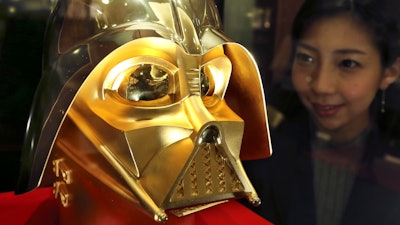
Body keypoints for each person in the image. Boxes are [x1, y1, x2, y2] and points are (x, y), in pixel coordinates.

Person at [242, 0, 400, 224]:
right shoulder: (266, 151)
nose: (320, 86)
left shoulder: (392, 159)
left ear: (389, 72)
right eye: (306, 58)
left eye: (348, 63)